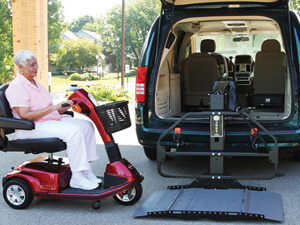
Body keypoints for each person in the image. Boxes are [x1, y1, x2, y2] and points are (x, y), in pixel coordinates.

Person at [5, 50, 101, 190]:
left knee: (86, 125)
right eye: (32, 65)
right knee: (74, 132)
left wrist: (66, 104)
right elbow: (25, 115)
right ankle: (77, 177)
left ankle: (87, 171)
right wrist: (53, 108)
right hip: (30, 127)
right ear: (20, 67)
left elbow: (50, 108)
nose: (36, 67)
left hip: (48, 120)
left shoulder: (35, 83)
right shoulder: (16, 86)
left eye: (36, 63)